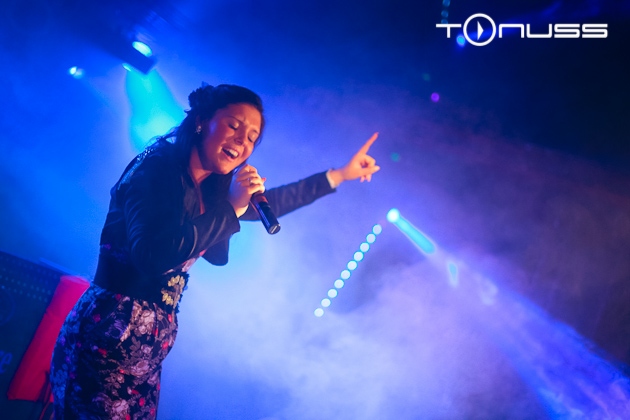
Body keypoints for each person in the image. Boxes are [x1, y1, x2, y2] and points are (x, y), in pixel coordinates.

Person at [50, 83, 380, 419]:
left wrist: (340, 175)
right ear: (201, 121)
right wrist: (231, 209)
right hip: (108, 338)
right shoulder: (156, 169)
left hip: (145, 352)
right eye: (234, 126)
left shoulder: (209, 187)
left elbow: (277, 200)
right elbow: (151, 255)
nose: (242, 141)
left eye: (251, 137)